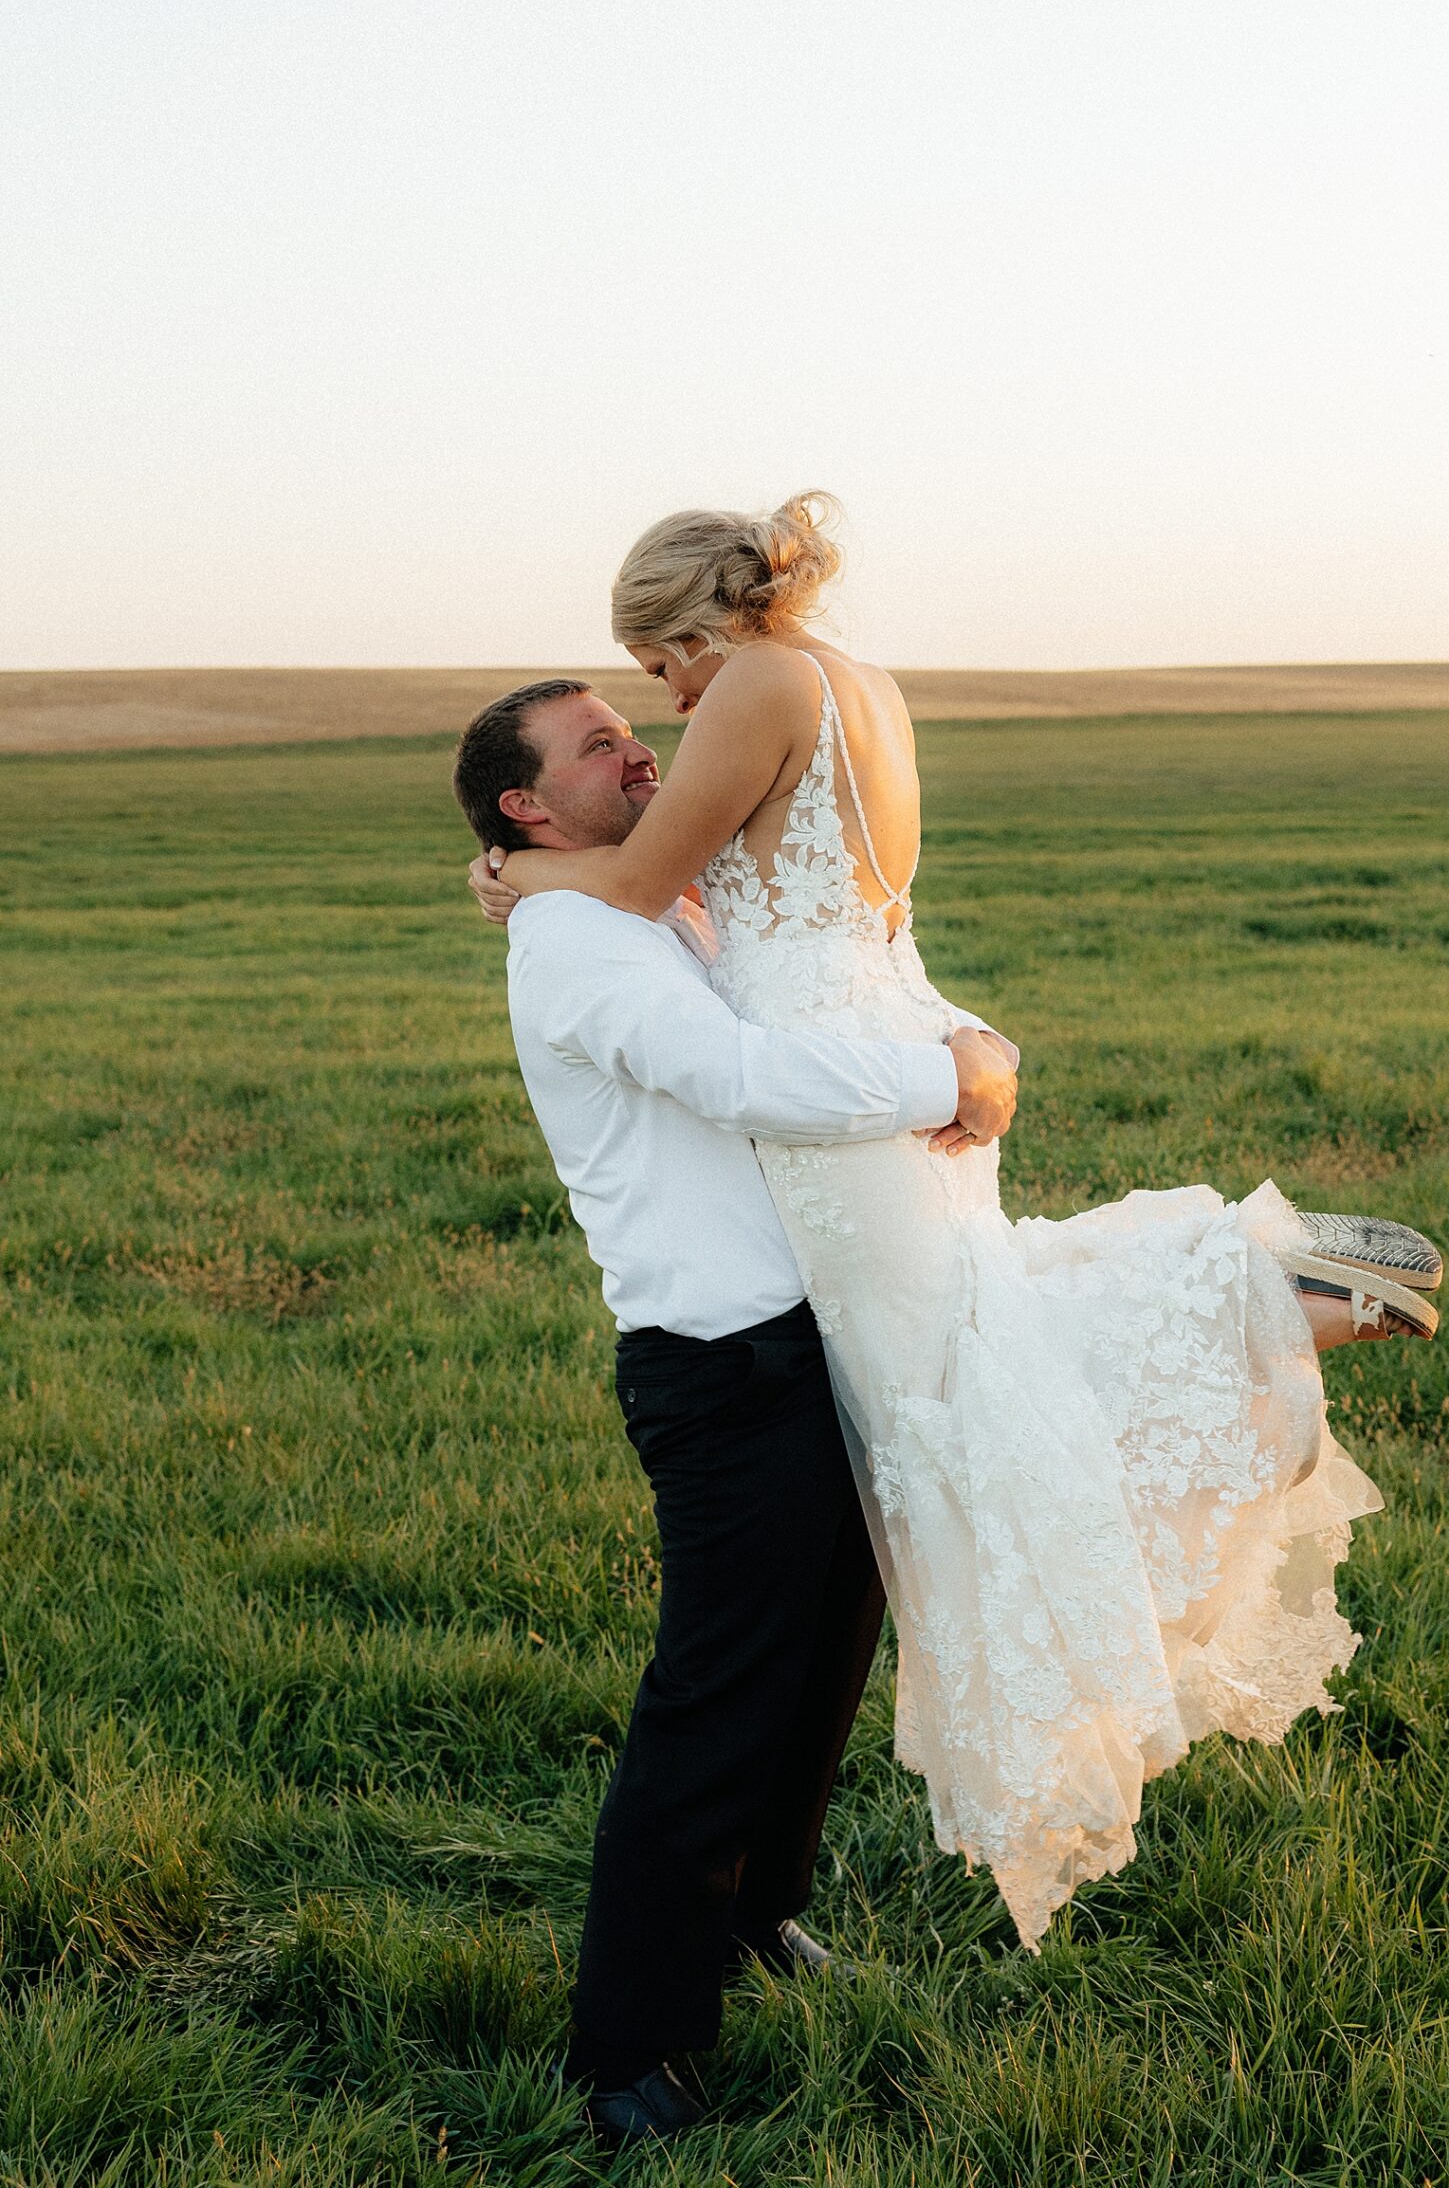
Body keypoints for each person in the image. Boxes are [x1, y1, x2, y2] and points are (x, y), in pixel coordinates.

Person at [470, 503, 1441, 1999]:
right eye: (615, 728)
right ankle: (1250, 1290)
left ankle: (1250, 1299)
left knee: (959, 1403)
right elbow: (822, 930)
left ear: (690, 633)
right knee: (974, 1346)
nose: (664, 720)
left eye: (652, 679)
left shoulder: (755, 694)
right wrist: (956, 1047)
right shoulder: (853, 683)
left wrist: (513, 875)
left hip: (857, 1103)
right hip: (885, 1048)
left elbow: (643, 879)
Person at [451, 676, 1021, 2149]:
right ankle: (631, 2056)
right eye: (596, 745)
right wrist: (938, 1082)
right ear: (523, 809)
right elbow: (741, 1076)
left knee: (825, 1656)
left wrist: (958, 1044)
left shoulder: (656, 898)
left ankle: (760, 1918)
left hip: (823, 1333)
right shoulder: (574, 942)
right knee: (713, 1699)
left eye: (628, 722)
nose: (638, 743)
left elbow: (822, 970)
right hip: (722, 1368)